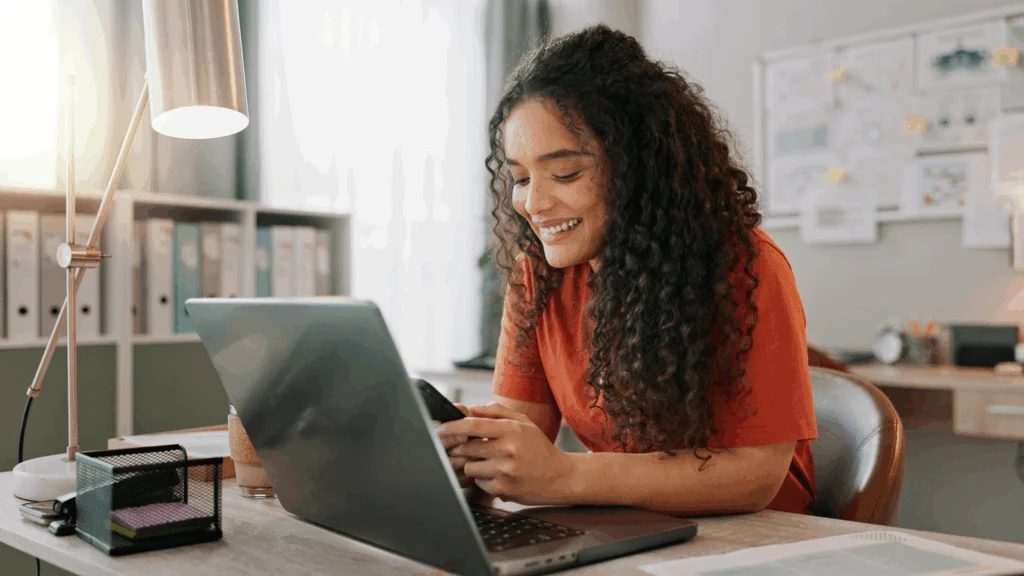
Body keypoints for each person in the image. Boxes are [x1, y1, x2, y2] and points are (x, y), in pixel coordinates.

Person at [435, 24, 816, 516]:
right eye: (521, 177)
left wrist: (565, 474)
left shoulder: (745, 266)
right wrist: (477, 448)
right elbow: (521, 423)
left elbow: (755, 476)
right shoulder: (538, 274)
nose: (533, 203)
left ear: (639, 167)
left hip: (758, 535)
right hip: (628, 523)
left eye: (566, 173)